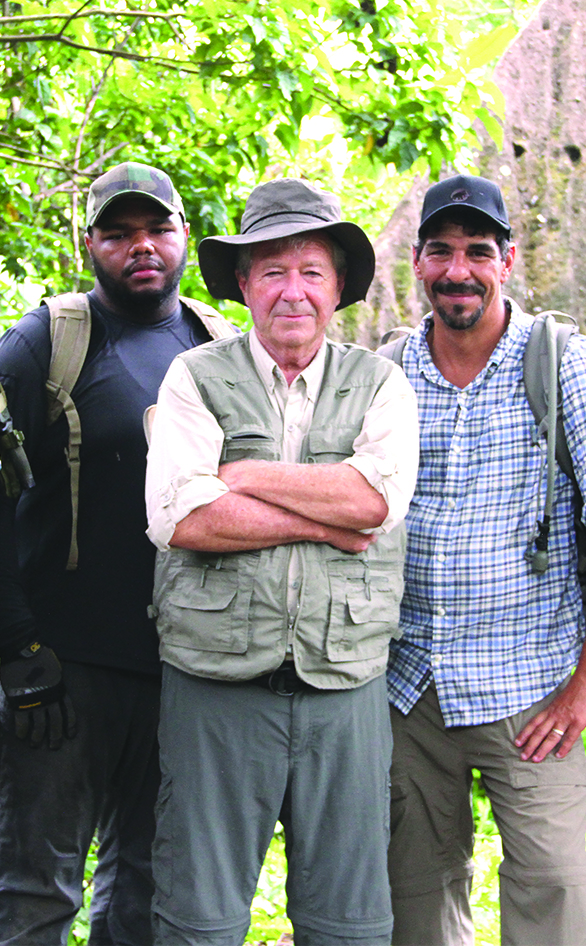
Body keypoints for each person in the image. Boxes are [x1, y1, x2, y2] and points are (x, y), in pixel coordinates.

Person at [145, 177, 419, 946]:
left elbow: (374, 505)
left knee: (349, 924)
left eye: (310, 271)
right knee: (199, 919)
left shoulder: (381, 384)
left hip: (346, 691)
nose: (291, 292)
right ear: (243, 284)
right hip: (214, 688)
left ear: (337, 288)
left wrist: (242, 475)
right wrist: (324, 515)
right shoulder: (195, 377)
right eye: (272, 270)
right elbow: (179, 515)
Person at [0, 161, 235, 946]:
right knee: (36, 887)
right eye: (119, 233)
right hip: (63, 672)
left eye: (158, 229)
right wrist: (19, 650)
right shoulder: (45, 343)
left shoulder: (215, 343)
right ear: (89, 242)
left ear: (182, 237)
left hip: (179, 668)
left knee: (146, 884)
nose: (142, 247)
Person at [382, 174, 586, 946]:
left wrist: (581, 690)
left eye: (476, 251)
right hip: (409, 690)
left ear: (507, 260)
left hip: (534, 691)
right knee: (416, 900)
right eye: (441, 250)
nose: (456, 269)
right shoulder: (390, 369)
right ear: (418, 260)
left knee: (560, 887)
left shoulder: (560, 364)